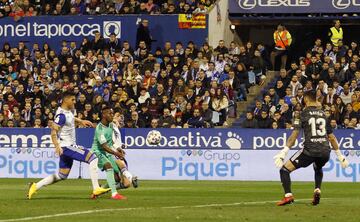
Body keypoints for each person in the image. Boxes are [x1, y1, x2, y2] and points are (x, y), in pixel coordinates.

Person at [27, 92, 110, 199]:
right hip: (67, 146)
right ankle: (96, 188)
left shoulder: (66, 112)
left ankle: (35, 186)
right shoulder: (61, 115)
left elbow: (70, 118)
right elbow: (53, 131)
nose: (75, 102)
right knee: (93, 158)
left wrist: (81, 121)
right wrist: (57, 146)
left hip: (66, 147)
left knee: (62, 175)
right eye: (73, 100)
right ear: (66, 100)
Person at [273, 90, 349, 206]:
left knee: (284, 170)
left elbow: (294, 136)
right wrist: (340, 156)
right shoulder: (323, 114)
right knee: (318, 167)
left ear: (306, 100)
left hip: (309, 151)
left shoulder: (302, 114)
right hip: (325, 152)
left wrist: (283, 153)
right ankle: (317, 190)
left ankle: (288, 196)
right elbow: (332, 137)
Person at [91, 106, 127, 200]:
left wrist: (118, 149)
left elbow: (110, 142)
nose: (112, 115)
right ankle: (114, 194)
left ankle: (99, 191)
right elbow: (104, 146)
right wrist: (116, 154)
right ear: (103, 115)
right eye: (110, 114)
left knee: (117, 178)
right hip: (97, 152)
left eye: (112, 113)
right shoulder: (99, 129)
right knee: (108, 166)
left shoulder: (111, 125)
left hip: (107, 152)